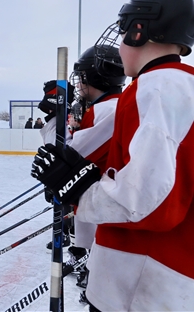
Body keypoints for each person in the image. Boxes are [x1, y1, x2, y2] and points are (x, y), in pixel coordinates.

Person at [31, 0, 194, 311]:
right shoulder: (170, 84)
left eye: (122, 35)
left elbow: (146, 196)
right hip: (149, 273)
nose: (119, 48)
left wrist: (80, 190)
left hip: (142, 276)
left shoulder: (159, 86)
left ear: (139, 32)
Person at [37, 45, 126, 302]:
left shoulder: (106, 109)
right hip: (108, 193)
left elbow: (73, 152)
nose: (79, 84)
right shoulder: (114, 105)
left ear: (92, 78)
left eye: (82, 78)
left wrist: (59, 171)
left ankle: (92, 279)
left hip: (103, 196)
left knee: (105, 263)